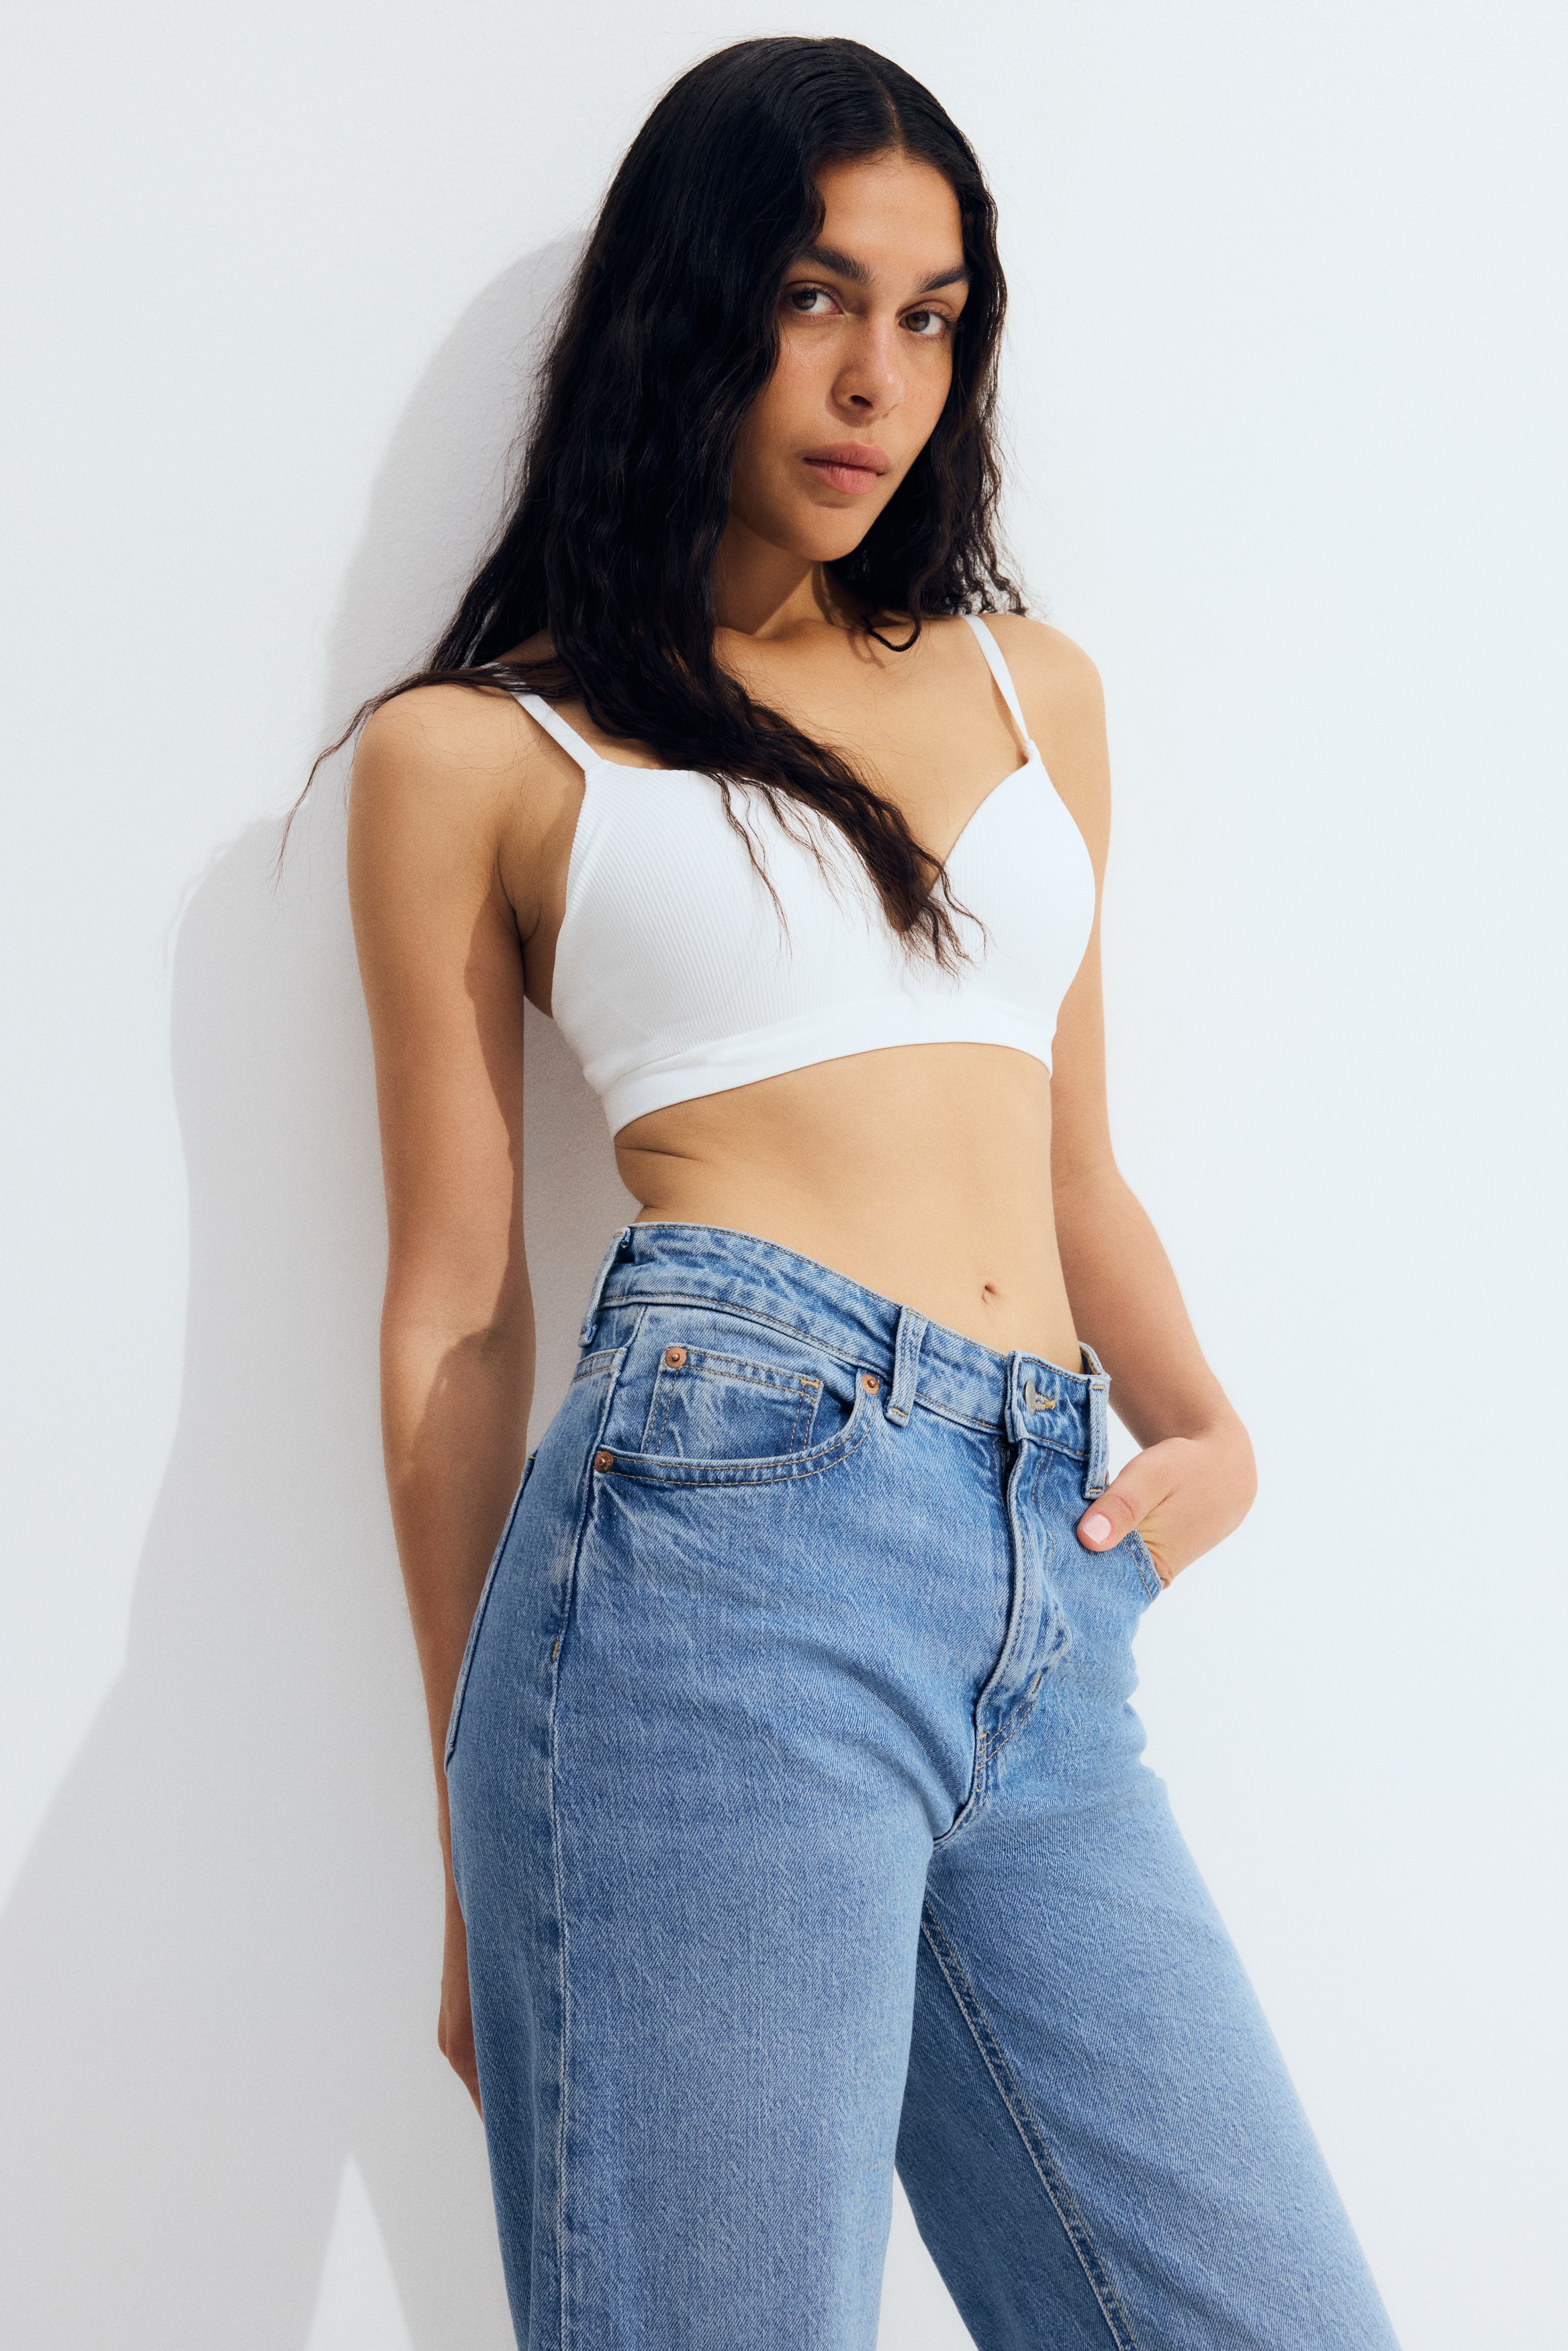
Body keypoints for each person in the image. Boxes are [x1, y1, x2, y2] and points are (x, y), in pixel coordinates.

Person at [344, 35, 1400, 2351]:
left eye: (931, 318)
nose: (876, 379)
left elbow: (1071, 1157)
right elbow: (457, 1314)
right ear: (691, 303)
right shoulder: (483, 751)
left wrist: (1209, 1428)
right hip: (712, 1556)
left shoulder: (1035, 694)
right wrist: (469, 1835)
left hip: (1045, 1587)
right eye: (819, 296)